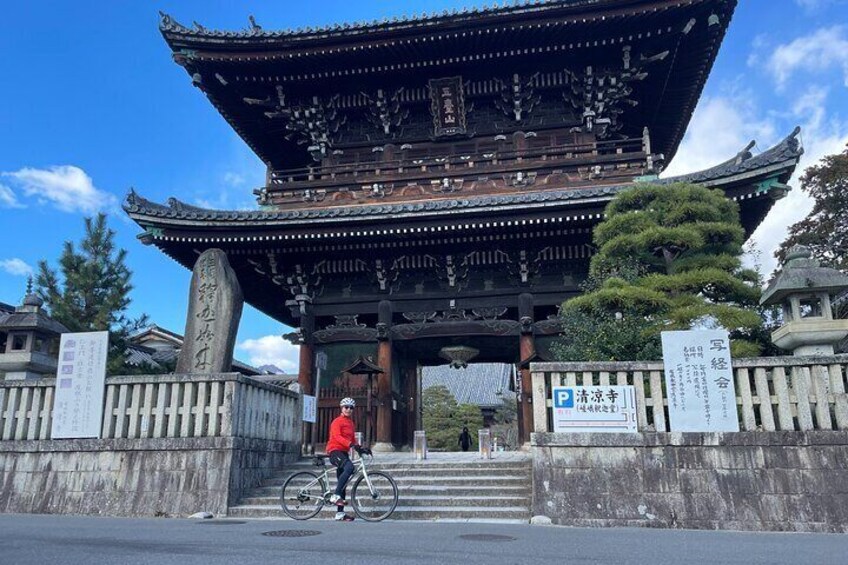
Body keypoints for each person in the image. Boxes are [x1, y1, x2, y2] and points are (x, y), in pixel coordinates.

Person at [326, 397, 371, 521]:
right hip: (334, 451)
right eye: (346, 407)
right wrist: (350, 445)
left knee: (343, 484)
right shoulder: (337, 422)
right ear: (342, 408)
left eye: (351, 408)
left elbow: (353, 440)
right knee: (350, 467)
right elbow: (337, 437)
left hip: (344, 453)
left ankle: (340, 514)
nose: (349, 410)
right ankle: (335, 495)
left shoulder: (351, 423)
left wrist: (361, 448)